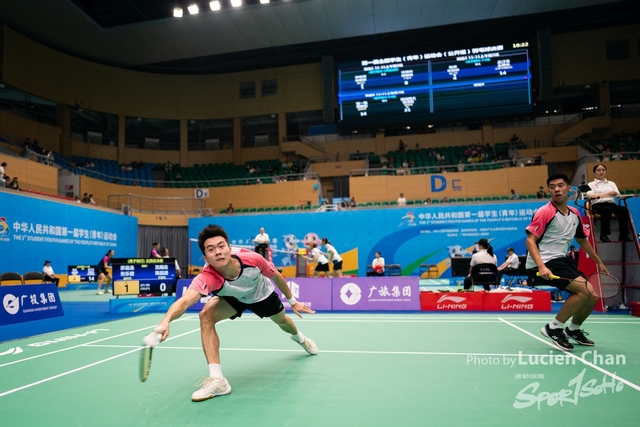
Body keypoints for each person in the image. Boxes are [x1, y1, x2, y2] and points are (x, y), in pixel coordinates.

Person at [143, 225, 317, 402]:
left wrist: (292, 301)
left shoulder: (253, 259)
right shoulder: (208, 276)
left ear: (229, 247)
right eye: (211, 249)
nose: (218, 252)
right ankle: (218, 380)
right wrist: (166, 321)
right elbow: (186, 300)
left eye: (221, 246)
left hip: (260, 294)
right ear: (205, 257)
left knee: (282, 322)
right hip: (233, 298)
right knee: (206, 316)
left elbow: (276, 276)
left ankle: (300, 338)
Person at [526, 173, 608, 351]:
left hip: (561, 259)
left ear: (568, 188)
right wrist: (541, 266)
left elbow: (582, 240)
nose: (557, 189)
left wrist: (599, 262)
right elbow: (530, 240)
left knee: (592, 295)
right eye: (553, 186)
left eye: (561, 185)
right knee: (584, 290)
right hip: (545, 261)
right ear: (548, 190)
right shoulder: (545, 212)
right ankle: (553, 328)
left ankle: (574, 329)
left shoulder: (575, 213)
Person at [587, 163, 632, 242]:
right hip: (597, 205)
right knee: (607, 209)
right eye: (598, 170)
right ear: (595, 172)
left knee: (623, 210)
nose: (601, 172)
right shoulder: (591, 184)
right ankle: (604, 235)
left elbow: (618, 195)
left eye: (603, 170)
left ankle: (623, 234)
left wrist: (617, 194)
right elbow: (590, 195)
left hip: (611, 204)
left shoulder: (611, 183)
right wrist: (607, 194)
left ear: (605, 172)